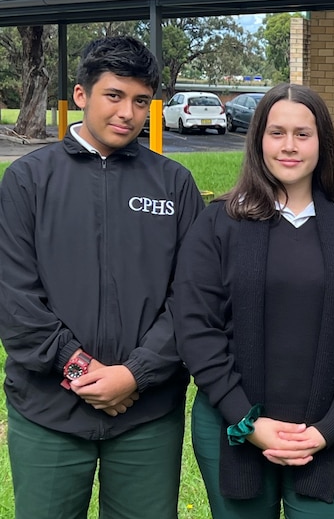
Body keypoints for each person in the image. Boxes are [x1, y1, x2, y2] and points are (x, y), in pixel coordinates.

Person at [0, 36, 204, 518]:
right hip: (47, 411)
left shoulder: (174, 184)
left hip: (147, 415)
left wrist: (135, 374)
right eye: (114, 95)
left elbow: (193, 297)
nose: (128, 113)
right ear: (81, 95)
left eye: (141, 101)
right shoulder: (28, 180)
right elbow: (14, 298)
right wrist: (81, 371)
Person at [172, 83, 334, 519]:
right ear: (258, 140)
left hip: (326, 434)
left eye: (302, 134)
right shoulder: (219, 224)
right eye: (277, 133)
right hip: (231, 428)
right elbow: (197, 330)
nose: (289, 146)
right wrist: (248, 423)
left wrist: (327, 430)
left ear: (322, 143)